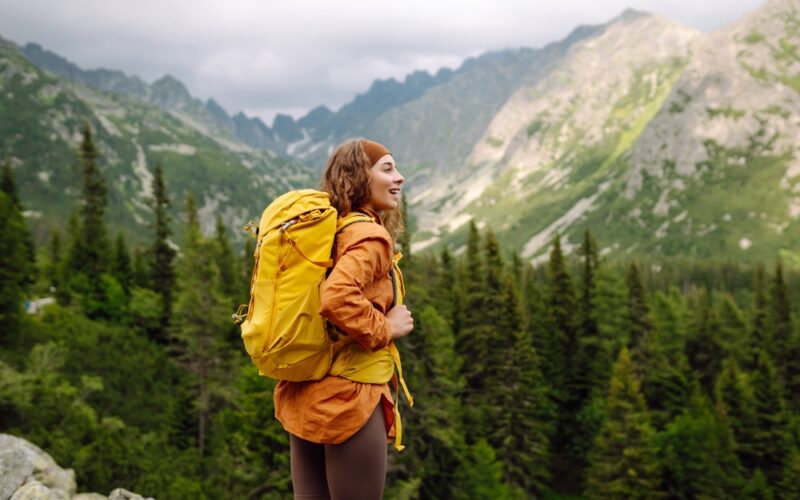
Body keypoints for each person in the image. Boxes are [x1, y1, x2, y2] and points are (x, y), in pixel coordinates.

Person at [273, 138, 414, 500]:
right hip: (350, 399)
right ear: (358, 177)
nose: (399, 178)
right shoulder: (369, 236)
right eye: (387, 169)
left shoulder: (329, 232)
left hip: (306, 393)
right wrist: (387, 326)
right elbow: (336, 298)